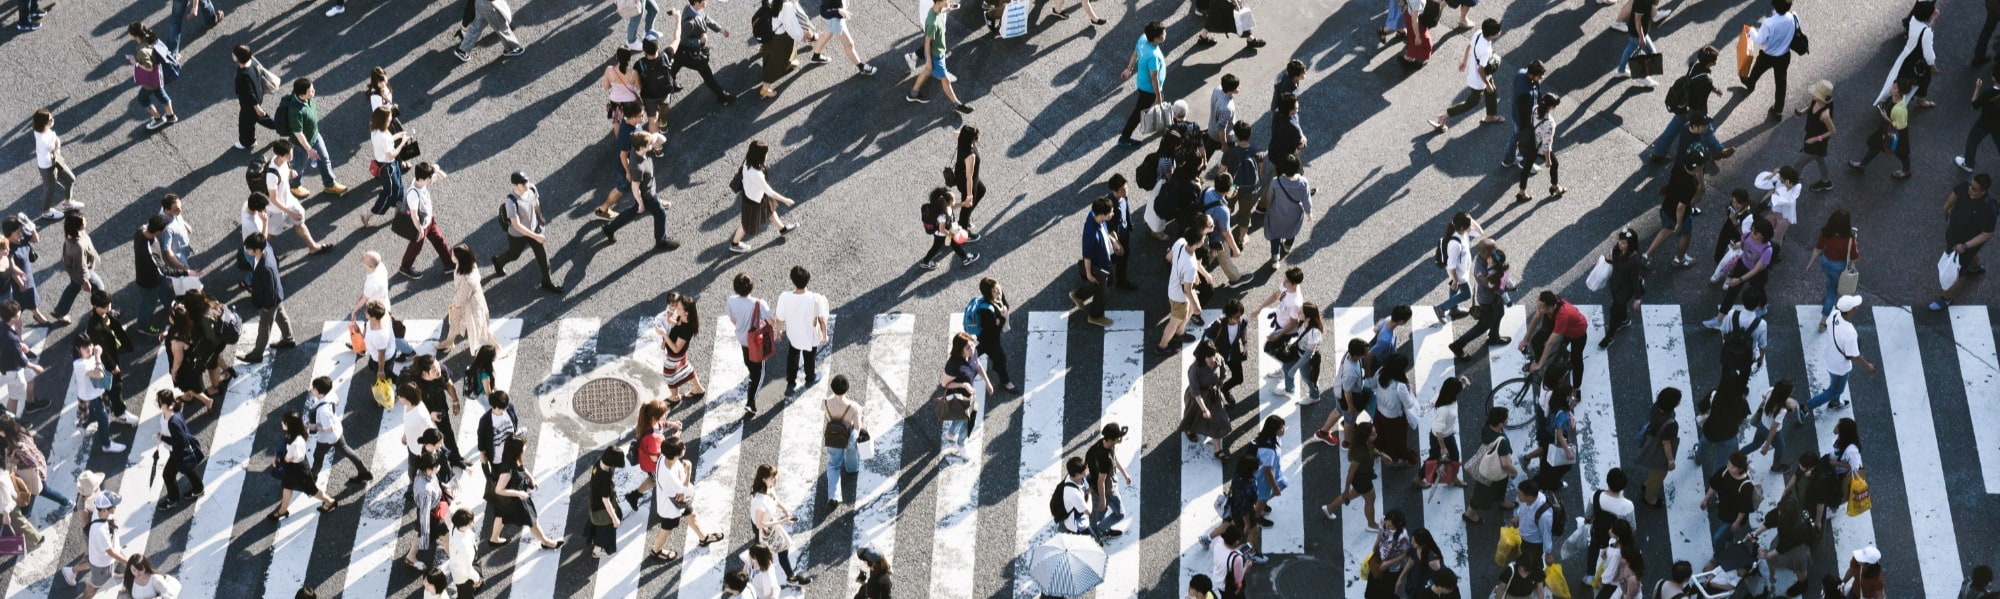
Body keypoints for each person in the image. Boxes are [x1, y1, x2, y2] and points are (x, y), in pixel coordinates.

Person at [1644, 47, 1729, 163]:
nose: (1716, 61)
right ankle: (1717, 152)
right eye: (1715, 60)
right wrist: (1703, 116)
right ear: (1710, 63)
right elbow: (1701, 100)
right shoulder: (1707, 80)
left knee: (1673, 128)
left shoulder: (1694, 66)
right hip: (1694, 109)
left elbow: (1698, 81)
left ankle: (1658, 152)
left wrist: (1714, 89)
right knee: (1706, 129)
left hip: (1684, 103)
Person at [646, 437, 724, 560]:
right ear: (676, 455)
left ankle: (703, 538)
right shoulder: (669, 476)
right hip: (671, 508)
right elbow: (683, 488)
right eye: (682, 448)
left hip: (677, 501)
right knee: (666, 529)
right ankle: (655, 551)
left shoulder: (663, 457)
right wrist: (689, 469)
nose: (684, 448)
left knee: (692, 515)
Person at [1930, 173, 1997, 310]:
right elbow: (1955, 193)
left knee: (1954, 271)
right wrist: (1946, 207)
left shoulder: (1988, 209)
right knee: (1971, 257)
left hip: (1966, 243)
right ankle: (1975, 267)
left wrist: (1966, 246)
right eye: (1971, 184)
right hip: (1954, 235)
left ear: (1983, 191)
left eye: (1974, 188)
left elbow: (1986, 234)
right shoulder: (1966, 186)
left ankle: (1946, 298)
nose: (1969, 188)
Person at [603, 133, 681, 250]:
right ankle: (661, 241)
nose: (653, 144)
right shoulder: (638, 167)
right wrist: (640, 202)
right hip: (648, 196)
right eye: (649, 144)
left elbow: (662, 140)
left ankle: (609, 229)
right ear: (641, 148)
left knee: (633, 211)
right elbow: (635, 187)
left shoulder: (637, 148)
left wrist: (653, 136)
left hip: (646, 192)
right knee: (660, 214)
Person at [1427, 19, 1506, 133]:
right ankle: (1444, 116)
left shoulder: (1479, 33)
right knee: (1472, 102)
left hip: (1478, 74)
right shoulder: (1486, 50)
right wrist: (1486, 84)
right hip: (1479, 81)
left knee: (1492, 92)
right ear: (1491, 34)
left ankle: (1491, 115)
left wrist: (1465, 61)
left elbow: (1469, 46)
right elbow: (1480, 70)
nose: (1500, 32)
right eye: (1498, 31)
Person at [488, 172, 561, 291]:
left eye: (526, 181)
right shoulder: (511, 202)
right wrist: (536, 236)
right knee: (514, 255)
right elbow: (516, 225)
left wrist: (540, 216)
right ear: (515, 186)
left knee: (543, 257)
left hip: (534, 229)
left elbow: (536, 203)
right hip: (517, 235)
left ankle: (547, 281)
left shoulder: (531, 188)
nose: (526, 184)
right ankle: (498, 261)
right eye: (523, 183)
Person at [1802, 296, 1874, 416]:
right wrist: (1868, 366)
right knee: (1835, 391)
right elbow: (1854, 355)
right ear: (1850, 311)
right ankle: (1805, 407)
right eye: (1855, 307)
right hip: (1840, 367)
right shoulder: (1850, 334)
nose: (1857, 308)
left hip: (1830, 356)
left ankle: (1835, 402)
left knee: (1835, 385)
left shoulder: (1834, 314)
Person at [488, 436, 564, 549]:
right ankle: (546, 542)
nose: (525, 448)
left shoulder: (511, 458)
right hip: (516, 498)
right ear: (516, 451)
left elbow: (521, 468)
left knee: (502, 515)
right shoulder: (507, 470)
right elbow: (499, 490)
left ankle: (494, 538)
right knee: (531, 520)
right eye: (523, 447)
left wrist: (531, 478)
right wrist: (520, 494)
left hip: (508, 499)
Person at [277, 79, 347, 196]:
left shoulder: (307, 98)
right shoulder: (296, 111)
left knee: (324, 159)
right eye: (310, 90)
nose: (314, 91)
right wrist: (308, 149)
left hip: (314, 136)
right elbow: (298, 133)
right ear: (302, 94)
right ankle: (294, 186)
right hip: (301, 145)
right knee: (298, 167)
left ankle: (329, 184)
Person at [730, 141, 801, 253]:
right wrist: (785, 200)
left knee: (770, 211)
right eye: (766, 153)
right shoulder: (756, 174)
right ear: (760, 156)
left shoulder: (748, 161)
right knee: (745, 224)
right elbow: (770, 192)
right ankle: (734, 244)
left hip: (758, 196)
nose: (767, 155)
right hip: (753, 202)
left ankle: (782, 229)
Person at [748, 464, 811, 586]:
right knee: (765, 556)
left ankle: (791, 577)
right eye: (772, 477)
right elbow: (759, 525)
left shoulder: (768, 488)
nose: (775, 479)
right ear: (764, 479)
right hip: (764, 529)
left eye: (775, 476)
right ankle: (755, 574)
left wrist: (785, 509)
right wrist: (782, 521)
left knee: (780, 551)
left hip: (770, 526)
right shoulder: (760, 501)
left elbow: (775, 499)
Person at [723, 274, 775, 416]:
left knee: (749, 361)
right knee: (760, 371)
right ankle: (751, 401)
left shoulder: (731, 301)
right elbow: (770, 322)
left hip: (743, 338)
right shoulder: (759, 303)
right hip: (756, 341)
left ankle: (751, 372)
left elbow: (732, 319)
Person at [907, 0, 973, 113]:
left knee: (927, 71)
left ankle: (913, 94)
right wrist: (928, 60)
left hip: (937, 52)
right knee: (945, 79)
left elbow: (942, 11)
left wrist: (949, 8)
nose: (949, 1)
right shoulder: (932, 23)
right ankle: (957, 104)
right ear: (938, 2)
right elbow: (927, 42)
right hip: (936, 55)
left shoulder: (937, 10)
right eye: (946, 0)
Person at [305, 376, 372, 483]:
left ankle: (313, 476)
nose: (311, 389)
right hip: (337, 431)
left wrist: (312, 426)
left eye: (314, 388)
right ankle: (364, 472)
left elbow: (328, 429)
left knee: (318, 456)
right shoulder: (331, 394)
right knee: (346, 450)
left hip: (327, 437)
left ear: (320, 392)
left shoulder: (323, 411)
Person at [1741, 0, 1801, 119]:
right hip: (1784, 56)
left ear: (1774, 5)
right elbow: (1796, 30)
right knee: (1781, 83)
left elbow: (1759, 40)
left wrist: (1751, 30)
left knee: (1757, 70)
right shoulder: (1794, 17)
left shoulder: (1769, 23)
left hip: (1767, 55)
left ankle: (1750, 83)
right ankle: (1778, 110)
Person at [671, 0, 738, 107]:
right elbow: (683, 40)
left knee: (674, 67)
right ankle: (722, 96)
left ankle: (671, 83)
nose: (707, 1)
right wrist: (700, 41)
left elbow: (705, 18)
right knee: (707, 74)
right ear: (697, 3)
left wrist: (720, 29)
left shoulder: (692, 9)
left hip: (681, 53)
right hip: (689, 53)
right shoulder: (689, 22)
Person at [272, 413, 339, 519]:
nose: (281, 423)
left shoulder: (294, 442)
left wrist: (279, 461)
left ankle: (330, 501)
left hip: (298, 469)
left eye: (283, 422)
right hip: (296, 467)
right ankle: (282, 510)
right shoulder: (295, 434)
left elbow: (289, 458)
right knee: (287, 486)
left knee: (312, 490)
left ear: (289, 425)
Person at [399, 162, 459, 277]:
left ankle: (449, 264)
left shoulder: (422, 182)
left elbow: (443, 176)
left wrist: (435, 170)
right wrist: (420, 230)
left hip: (429, 219)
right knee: (415, 247)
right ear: (422, 178)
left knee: (439, 240)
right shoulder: (413, 194)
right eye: (429, 178)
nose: (431, 180)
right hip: (421, 225)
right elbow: (414, 215)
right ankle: (405, 267)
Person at [1848, 78, 1915, 179]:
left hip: (1898, 134)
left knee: (1902, 153)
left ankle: (1906, 171)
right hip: (1885, 129)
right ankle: (1863, 164)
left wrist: (1886, 118)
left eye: (1894, 87)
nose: (1892, 88)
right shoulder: (1894, 97)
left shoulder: (1899, 109)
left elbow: (1900, 126)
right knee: (1875, 146)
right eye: (1893, 85)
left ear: (1900, 91)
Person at [1115, 21, 1169, 146]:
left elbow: (1135, 54)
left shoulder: (1143, 39)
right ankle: (1125, 137)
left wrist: (1129, 69)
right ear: (1156, 38)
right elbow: (1154, 77)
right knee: (1138, 113)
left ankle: (1165, 120)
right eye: (1163, 32)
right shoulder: (1154, 56)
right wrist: (1158, 96)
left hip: (1143, 83)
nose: (1165, 33)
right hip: (1149, 90)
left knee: (1143, 107)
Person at [438, 245, 495, 357]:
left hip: (470, 306)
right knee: (474, 325)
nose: (451, 256)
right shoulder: (470, 264)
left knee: (477, 329)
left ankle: (492, 348)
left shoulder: (466, 278)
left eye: (454, 255)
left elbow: (462, 297)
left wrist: (455, 307)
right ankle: (449, 342)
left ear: (460, 259)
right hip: (475, 300)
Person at [1521, 291, 1586, 389]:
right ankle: (1538, 361)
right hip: (1558, 322)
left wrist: (1539, 365)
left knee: (1576, 360)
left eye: (1541, 307)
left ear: (1551, 307)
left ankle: (1576, 389)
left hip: (1577, 332)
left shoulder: (1562, 315)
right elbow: (1536, 318)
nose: (1538, 309)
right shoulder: (1547, 302)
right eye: (1538, 305)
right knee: (1536, 340)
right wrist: (1525, 340)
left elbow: (1550, 343)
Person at [936, 333, 986, 457]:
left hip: (970, 396)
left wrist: (987, 382)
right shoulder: (953, 365)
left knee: (961, 419)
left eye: (972, 345)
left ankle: (951, 435)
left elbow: (977, 364)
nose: (972, 349)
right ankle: (961, 443)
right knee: (966, 421)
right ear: (960, 350)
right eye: (968, 348)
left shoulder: (973, 352)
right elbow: (944, 384)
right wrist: (963, 385)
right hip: (959, 398)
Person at [1462, 407, 1515, 523]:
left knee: (1499, 484)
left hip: (1489, 464)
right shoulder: (1502, 443)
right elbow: (1505, 464)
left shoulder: (1487, 428)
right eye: (1506, 419)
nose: (1508, 420)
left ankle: (1500, 500)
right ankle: (1470, 513)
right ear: (1500, 423)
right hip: (1492, 470)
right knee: (1481, 492)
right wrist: (1514, 471)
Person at [1158, 226, 1205, 356]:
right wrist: (1197, 308)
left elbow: (1169, 257)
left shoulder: (1181, 242)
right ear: (1198, 243)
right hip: (1180, 297)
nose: (1204, 238)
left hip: (1173, 287)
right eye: (1203, 237)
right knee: (1173, 322)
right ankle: (1162, 346)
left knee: (1186, 312)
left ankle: (1180, 332)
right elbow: (1187, 290)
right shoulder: (1190, 265)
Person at [756, 0, 817, 100]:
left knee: (772, 53)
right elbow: (793, 28)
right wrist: (804, 36)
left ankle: (788, 61)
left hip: (769, 30)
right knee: (777, 60)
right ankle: (765, 89)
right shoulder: (786, 6)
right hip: (780, 37)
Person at [152, 392, 204, 508]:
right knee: (188, 469)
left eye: (158, 400)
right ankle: (198, 488)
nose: (157, 402)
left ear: (165, 404)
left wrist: (163, 438)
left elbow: (180, 441)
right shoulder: (170, 412)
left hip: (177, 451)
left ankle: (173, 499)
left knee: (168, 475)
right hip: (176, 450)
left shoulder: (173, 421)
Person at [1324, 420, 1380, 528]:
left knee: (1353, 494)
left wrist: (1381, 455)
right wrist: (1345, 489)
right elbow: (1351, 473)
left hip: (1363, 477)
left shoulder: (1365, 444)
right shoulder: (1359, 453)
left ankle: (1329, 508)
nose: (1376, 434)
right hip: (1362, 480)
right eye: (1373, 434)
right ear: (1365, 437)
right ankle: (1372, 524)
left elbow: (1372, 449)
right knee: (1370, 499)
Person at [1879, 3, 1937, 108]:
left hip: (1907, 56)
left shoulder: (1914, 20)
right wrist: (1932, 66)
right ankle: (1920, 100)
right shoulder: (1926, 32)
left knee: (1901, 79)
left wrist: (1932, 19)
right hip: (1919, 62)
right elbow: (1928, 55)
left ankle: (1891, 99)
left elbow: (1925, 29)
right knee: (1924, 81)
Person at [1071, 198, 1118, 327]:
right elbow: (1087, 256)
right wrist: (1089, 274)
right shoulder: (1090, 234)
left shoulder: (1095, 216)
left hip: (1105, 260)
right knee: (1102, 292)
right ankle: (1095, 316)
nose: (1112, 214)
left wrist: (1113, 241)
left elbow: (1104, 232)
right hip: (1099, 266)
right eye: (1110, 212)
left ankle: (1079, 295)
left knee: (1110, 281)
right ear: (1102, 214)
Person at [1805, 210, 1858, 323]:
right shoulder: (1849, 239)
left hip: (1825, 262)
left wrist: (1810, 264)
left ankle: (1827, 296)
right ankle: (1823, 321)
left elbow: (1818, 248)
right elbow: (1854, 256)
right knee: (1832, 294)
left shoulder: (1826, 232)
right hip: (1838, 266)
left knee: (1830, 282)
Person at [655, 293, 707, 403]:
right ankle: (698, 388)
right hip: (680, 352)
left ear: (686, 312)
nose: (675, 309)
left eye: (678, 307)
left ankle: (674, 396)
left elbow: (676, 349)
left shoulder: (687, 329)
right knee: (685, 367)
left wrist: (664, 334)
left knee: (668, 373)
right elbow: (678, 324)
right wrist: (670, 320)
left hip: (675, 354)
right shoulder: (683, 317)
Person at [965, 278, 1014, 392]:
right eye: (994, 290)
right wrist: (1002, 317)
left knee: (978, 350)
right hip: (989, 338)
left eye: (998, 287)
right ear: (988, 293)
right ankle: (1005, 381)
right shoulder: (986, 311)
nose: (998, 291)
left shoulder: (997, 296)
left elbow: (1005, 304)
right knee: (1000, 358)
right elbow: (993, 331)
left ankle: (962, 360)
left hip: (988, 337)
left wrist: (1001, 317)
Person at [29, 109, 79, 219]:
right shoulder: (43, 139)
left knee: (70, 179)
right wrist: (57, 147)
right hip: (48, 166)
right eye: (50, 119)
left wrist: (56, 144)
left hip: (53, 162)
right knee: (49, 189)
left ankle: (67, 203)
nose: (53, 120)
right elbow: (51, 152)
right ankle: (46, 211)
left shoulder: (42, 130)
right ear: (44, 123)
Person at [364, 107, 410, 227]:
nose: (392, 118)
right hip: (388, 167)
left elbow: (388, 141)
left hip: (388, 164)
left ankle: (401, 210)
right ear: (384, 120)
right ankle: (369, 213)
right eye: (390, 116)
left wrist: (398, 135)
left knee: (399, 186)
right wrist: (403, 142)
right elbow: (391, 154)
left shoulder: (376, 129)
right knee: (389, 193)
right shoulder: (384, 136)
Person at [1183, 342, 1230, 459]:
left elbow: (1222, 376)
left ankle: (1217, 450)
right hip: (1198, 397)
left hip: (1213, 395)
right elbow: (1195, 392)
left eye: (1213, 355)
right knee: (1193, 416)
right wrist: (1204, 409)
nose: (1211, 359)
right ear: (1202, 356)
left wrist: (1219, 389)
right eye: (1208, 356)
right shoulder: (1195, 369)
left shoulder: (1219, 360)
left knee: (1218, 419)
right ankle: (1189, 430)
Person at [1513, 93, 1563, 202]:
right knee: (1555, 164)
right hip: (1538, 147)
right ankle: (1554, 186)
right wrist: (1548, 160)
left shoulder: (1535, 108)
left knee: (1526, 168)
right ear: (1551, 107)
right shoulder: (1549, 123)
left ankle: (1521, 192)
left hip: (1529, 143)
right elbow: (1546, 144)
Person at [399, 451, 444, 570]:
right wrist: (425, 539)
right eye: (437, 466)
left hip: (430, 510)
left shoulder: (421, 472)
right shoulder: (426, 490)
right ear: (429, 469)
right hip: (430, 513)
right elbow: (424, 517)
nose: (439, 467)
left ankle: (412, 555)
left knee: (422, 532)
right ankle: (411, 556)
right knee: (435, 531)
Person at [1263, 154, 1313, 261]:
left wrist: (1268, 207)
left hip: (1277, 214)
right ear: (1298, 167)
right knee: (1291, 231)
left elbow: (1269, 197)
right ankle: (1287, 246)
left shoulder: (1276, 181)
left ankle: (1275, 255)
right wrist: (1309, 213)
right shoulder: (1303, 183)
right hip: (1294, 216)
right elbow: (1306, 200)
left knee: (1275, 235)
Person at [1702, 451, 1756, 551]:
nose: (1729, 467)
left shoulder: (1746, 486)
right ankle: (1729, 541)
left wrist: (1737, 523)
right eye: (1728, 464)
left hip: (1734, 517)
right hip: (1724, 510)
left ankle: (1717, 556)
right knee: (1727, 533)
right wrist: (1706, 499)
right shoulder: (1724, 472)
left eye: (1733, 467)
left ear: (1740, 468)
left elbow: (1744, 508)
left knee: (1717, 538)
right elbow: (1714, 485)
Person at [807, 0, 878, 75]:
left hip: (834, 17)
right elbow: (824, 11)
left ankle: (816, 56)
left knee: (826, 35)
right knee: (848, 44)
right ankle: (861, 67)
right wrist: (838, 11)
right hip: (835, 21)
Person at [75, 492, 126, 596]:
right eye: (113, 507)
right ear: (104, 510)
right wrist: (128, 561)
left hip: (110, 554)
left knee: (120, 560)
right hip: (103, 566)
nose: (115, 508)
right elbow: (111, 552)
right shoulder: (100, 531)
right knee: (93, 586)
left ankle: (120, 570)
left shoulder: (100, 513)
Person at [1087, 423, 1132, 539]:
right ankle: (1099, 530)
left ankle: (1095, 529)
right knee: (1119, 514)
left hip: (1095, 485)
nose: (1119, 440)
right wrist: (1103, 499)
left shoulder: (1101, 444)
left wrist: (1124, 474)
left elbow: (1114, 458)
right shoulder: (1105, 459)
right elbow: (1101, 481)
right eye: (1117, 438)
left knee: (1100, 512)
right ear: (1111, 440)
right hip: (1107, 489)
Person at [821, 375, 860, 507]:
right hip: (847, 435)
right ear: (847, 389)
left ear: (832, 388)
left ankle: (833, 496)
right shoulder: (853, 407)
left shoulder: (825, 402)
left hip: (833, 437)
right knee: (851, 453)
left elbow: (824, 412)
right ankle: (851, 469)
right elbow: (857, 427)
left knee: (833, 465)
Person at [1792, 80, 1837, 191]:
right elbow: (1810, 107)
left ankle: (1793, 181)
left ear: (1821, 98)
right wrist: (1801, 113)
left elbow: (1832, 131)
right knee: (1820, 160)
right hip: (1812, 138)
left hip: (1816, 144)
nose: (1812, 95)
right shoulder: (1816, 100)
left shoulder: (1825, 115)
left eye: (1815, 94)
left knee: (1798, 164)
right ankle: (1826, 182)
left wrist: (1815, 139)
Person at [1501, 62, 1545, 168]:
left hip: (1516, 115)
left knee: (1516, 136)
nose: (1541, 78)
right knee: (1528, 140)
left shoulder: (1521, 73)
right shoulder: (1526, 92)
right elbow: (1525, 112)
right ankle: (1525, 163)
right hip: (1524, 120)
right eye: (1539, 76)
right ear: (1532, 75)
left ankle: (1508, 159)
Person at [454, 0, 528, 61]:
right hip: (490, 5)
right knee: (501, 27)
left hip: (479, 2)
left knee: (476, 26)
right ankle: (511, 48)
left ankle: (462, 50)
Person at [586, 446, 625, 558]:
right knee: (605, 531)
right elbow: (606, 501)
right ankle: (597, 551)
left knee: (604, 525)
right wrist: (614, 519)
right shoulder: (605, 478)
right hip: (602, 510)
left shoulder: (598, 463)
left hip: (595, 503)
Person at [1364, 511, 1412, 599]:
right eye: (1387, 524)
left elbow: (1405, 554)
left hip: (1391, 568)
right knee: (1371, 588)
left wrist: (1389, 563)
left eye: (1391, 526)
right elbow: (1380, 532)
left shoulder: (1403, 537)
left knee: (1386, 592)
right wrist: (1376, 545)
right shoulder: (1383, 520)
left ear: (1398, 524)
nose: (1388, 527)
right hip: (1378, 561)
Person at [1612, 0, 1658, 88]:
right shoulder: (1642, 2)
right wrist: (1641, 37)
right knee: (1652, 54)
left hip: (1636, 31)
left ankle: (1621, 70)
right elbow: (1637, 21)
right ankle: (1641, 76)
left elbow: (1654, 4)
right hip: (1638, 33)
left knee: (1631, 48)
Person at [1962, 69, 2000, 172]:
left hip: (1985, 122)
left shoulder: (1988, 93)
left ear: (1993, 77)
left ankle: (1968, 164)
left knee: (1972, 141)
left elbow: (1974, 106)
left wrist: (1977, 88)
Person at [602, 49, 642, 134]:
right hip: (631, 102)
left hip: (615, 102)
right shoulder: (633, 73)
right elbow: (639, 87)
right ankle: (634, 142)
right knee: (632, 123)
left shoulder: (609, 70)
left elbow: (606, 87)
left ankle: (620, 143)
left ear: (617, 57)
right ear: (629, 58)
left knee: (617, 123)